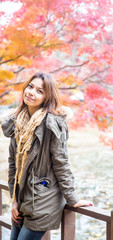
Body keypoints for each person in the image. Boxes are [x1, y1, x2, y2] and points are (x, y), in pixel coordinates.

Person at [1, 72, 93, 240]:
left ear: (47, 97)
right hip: (22, 200)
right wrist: (14, 201)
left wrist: (72, 199)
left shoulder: (52, 124)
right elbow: (14, 164)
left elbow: (61, 163)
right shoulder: (18, 122)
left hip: (43, 202)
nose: (31, 92)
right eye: (30, 87)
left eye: (39, 91)